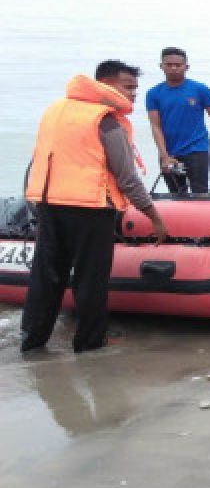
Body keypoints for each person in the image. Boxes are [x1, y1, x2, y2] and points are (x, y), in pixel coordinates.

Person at [20, 61, 168, 354]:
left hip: (50, 205)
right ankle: (89, 344)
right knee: (91, 279)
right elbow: (127, 178)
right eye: (128, 87)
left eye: (136, 89)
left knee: (46, 276)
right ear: (105, 84)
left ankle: (32, 341)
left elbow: (40, 159)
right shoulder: (106, 121)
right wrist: (154, 216)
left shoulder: (55, 111)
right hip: (91, 208)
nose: (134, 95)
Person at [146, 47, 210, 195]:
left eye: (178, 65)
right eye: (169, 65)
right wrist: (164, 156)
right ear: (161, 66)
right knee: (176, 194)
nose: (173, 68)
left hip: (196, 150)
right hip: (170, 153)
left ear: (186, 67)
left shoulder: (200, 89)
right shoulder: (154, 93)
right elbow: (155, 126)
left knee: (200, 194)